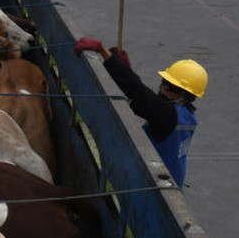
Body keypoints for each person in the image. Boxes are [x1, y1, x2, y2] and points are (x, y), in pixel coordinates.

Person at [73, 38, 208, 187]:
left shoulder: (169, 115)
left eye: (173, 88)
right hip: (173, 180)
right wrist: (125, 68)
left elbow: (139, 93)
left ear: (187, 95)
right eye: (164, 82)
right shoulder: (187, 114)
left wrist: (105, 52)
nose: (165, 89)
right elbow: (148, 99)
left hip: (156, 185)